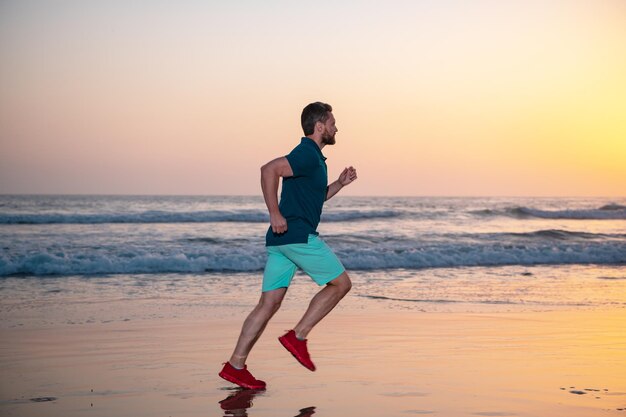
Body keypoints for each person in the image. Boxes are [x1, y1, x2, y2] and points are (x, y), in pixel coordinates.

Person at [218, 101, 357, 390]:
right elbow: (268, 170)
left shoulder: (314, 160)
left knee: (268, 304)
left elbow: (316, 198)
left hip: (281, 241)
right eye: (332, 123)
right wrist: (274, 212)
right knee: (341, 284)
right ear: (319, 127)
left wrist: (340, 184)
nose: (335, 127)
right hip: (297, 236)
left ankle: (235, 365)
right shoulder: (306, 153)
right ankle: (298, 336)